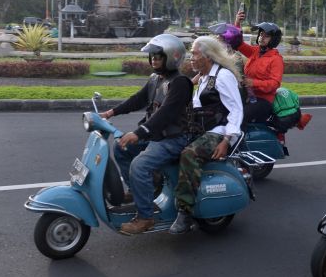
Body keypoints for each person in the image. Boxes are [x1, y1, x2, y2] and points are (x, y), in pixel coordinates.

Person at [99, 34, 193, 235]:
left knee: (139, 165)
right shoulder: (155, 79)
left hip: (173, 139)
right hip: (156, 137)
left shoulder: (180, 83)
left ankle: (145, 217)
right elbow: (138, 100)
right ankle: (137, 191)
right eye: (151, 57)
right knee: (121, 148)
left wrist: (139, 133)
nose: (153, 61)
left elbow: (166, 115)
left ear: (171, 57)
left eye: (158, 57)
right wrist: (110, 112)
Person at [169, 36, 244, 234]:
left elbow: (236, 110)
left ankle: (184, 212)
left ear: (208, 56)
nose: (191, 58)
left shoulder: (223, 76)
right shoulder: (203, 77)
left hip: (219, 132)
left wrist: (226, 140)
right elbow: (196, 104)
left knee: (189, 154)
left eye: (194, 54)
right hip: (201, 129)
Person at [233, 11, 284, 123]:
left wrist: (253, 83)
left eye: (266, 36)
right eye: (261, 34)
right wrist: (237, 22)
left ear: (273, 39)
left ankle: (238, 140)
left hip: (263, 101)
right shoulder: (255, 51)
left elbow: (274, 84)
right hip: (248, 95)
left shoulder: (276, 59)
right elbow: (238, 43)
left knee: (238, 117)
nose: (262, 38)